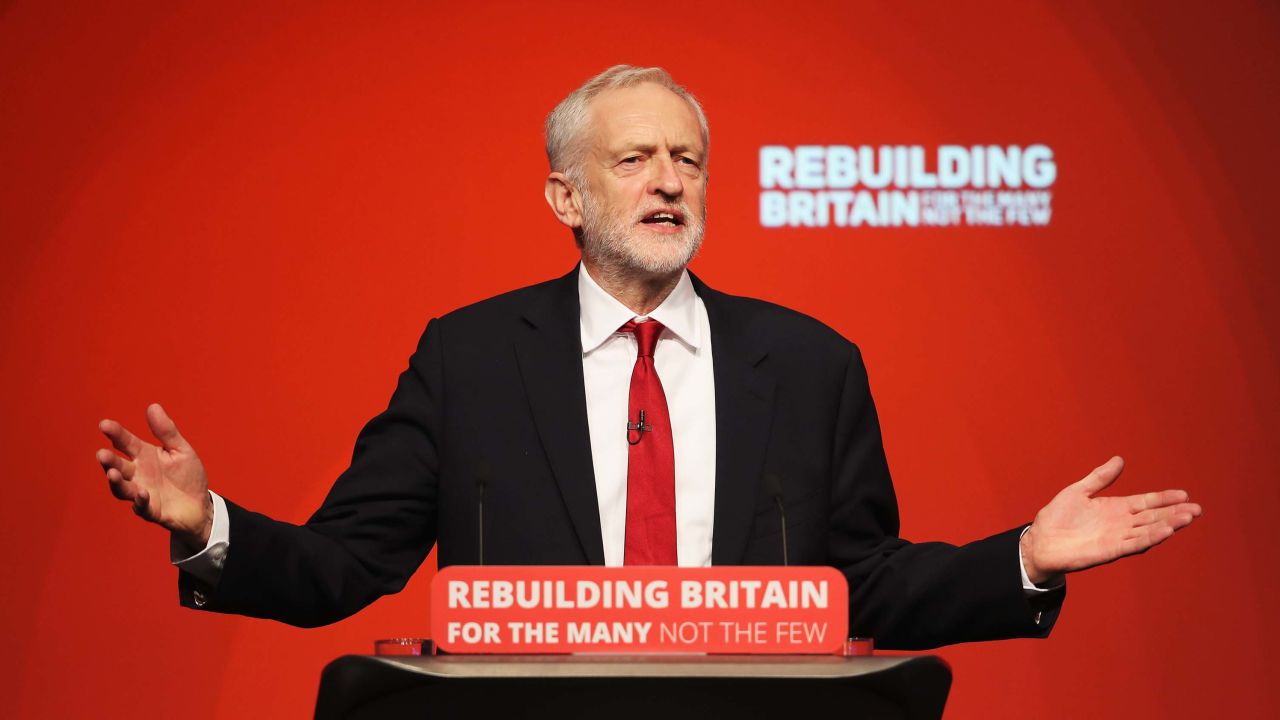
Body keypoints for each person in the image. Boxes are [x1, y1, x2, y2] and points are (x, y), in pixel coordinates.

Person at [94, 65, 1201, 649]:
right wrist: (207, 525)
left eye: (689, 158)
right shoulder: (470, 358)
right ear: (565, 197)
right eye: (635, 158)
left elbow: (864, 584)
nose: (670, 180)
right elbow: (346, 565)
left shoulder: (809, 363)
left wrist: (1025, 557)